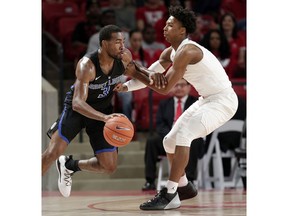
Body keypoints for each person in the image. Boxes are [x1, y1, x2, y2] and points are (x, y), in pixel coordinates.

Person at [114, 5, 238, 210]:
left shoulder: (187, 51)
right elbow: (152, 74)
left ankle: (170, 192)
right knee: (169, 141)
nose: (164, 27)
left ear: (182, 30)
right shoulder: (171, 52)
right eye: (165, 24)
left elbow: (164, 87)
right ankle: (184, 186)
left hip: (223, 101)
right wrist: (127, 85)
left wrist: (134, 70)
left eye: (170, 25)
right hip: (207, 99)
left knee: (184, 135)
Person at [41, 24, 163, 198]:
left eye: (123, 41)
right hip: (78, 110)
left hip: (103, 110)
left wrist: (153, 75)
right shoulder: (87, 65)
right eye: (117, 42)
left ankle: (69, 165)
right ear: (104, 44)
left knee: (109, 166)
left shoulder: (123, 56)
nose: (122, 46)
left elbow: (135, 70)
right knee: (52, 152)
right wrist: (105, 118)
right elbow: (77, 102)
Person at [142, 78, 205, 191]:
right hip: (170, 138)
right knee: (151, 140)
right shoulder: (164, 104)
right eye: (176, 85)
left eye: (182, 85)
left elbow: (199, 122)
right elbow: (160, 125)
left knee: (195, 141)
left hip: (190, 137)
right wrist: (172, 136)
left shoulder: (196, 103)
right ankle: (149, 181)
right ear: (171, 87)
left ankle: (188, 181)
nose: (179, 88)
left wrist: (183, 136)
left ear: (189, 87)